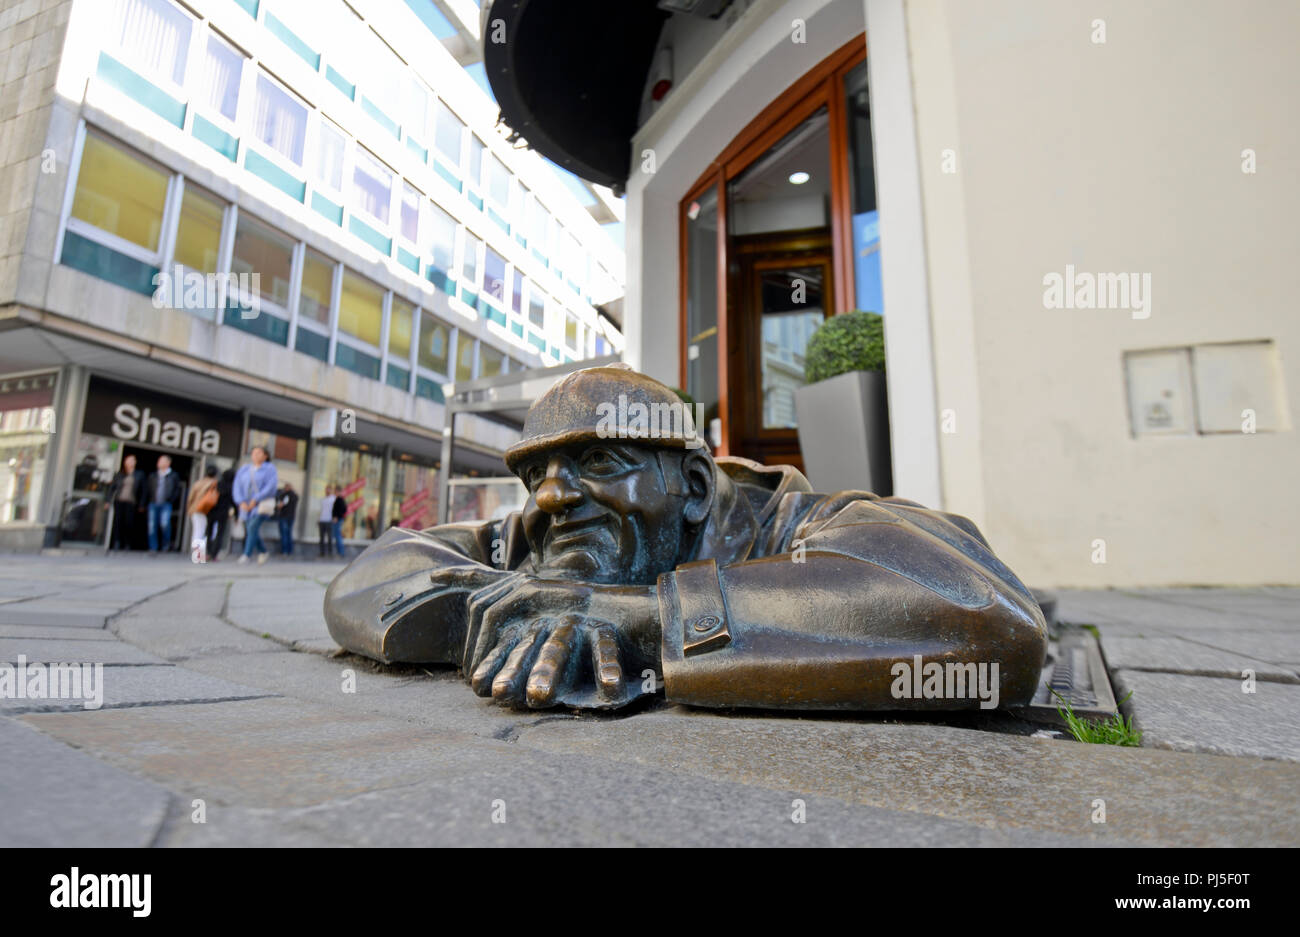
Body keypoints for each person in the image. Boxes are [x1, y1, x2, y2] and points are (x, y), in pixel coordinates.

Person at [325, 365, 1047, 713]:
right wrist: (513, 611)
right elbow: (367, 578)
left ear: (695, 487)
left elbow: (986, 617)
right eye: (535, 472)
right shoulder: (553, 531)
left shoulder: (802, 524)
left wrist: (637, 620)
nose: (549, 495)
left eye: (598, 462)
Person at [233, 445, 278, 565]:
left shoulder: (269, 469)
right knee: (250, 529)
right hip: (245, 506)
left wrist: (255, 500)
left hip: (260, 505)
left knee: (252, 527)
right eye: (253, 453)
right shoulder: (245, 469)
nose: (255, 455)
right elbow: (237, 486)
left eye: (259, 453)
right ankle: (263, 551)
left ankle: (246, 555)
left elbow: (270, 486)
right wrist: (241, 501)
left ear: (265, 455)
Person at [144, 454, 183, 554]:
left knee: (164, 524)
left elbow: (177, 490)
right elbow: (147, 489)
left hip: (166, 504)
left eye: (161, 461)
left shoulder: (174, 475)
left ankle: (166, 545)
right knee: (152, 526)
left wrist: (171, 500)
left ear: (168, 463)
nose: (159, 463)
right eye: (159, 461)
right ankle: (153, 547)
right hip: (153, 503)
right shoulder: (153, 475)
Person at [107, 453, 145, 551]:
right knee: (117, 522)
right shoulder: (120, 474)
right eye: (128, 460)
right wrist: (108, 500)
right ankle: (117, 542)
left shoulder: (139, 474)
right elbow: (112, 488)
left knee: (129, 523)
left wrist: (141, 504)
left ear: (135, 462)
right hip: (119, 501)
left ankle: (127, 543)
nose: (130, 462)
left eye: (132, 460)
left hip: (131, 503)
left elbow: (143, 490)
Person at [186, 466, 220, 563]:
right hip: (207, 510)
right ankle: (200, 555)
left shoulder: (198, 483)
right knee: (208, 532)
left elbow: (190, 497)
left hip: (195, 509)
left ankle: (197, 555)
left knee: (197, 531)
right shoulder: (215, 484)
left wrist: (189, 509)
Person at [207, 467, 235, 561]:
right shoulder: (231, 487)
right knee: (219, 534)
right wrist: (237, 514)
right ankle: (214, 555)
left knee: (208, 533)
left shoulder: (217, 484)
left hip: (211, 511)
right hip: (223, 513)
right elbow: (233, 502)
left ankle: (207, 553)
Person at [276, 481, 299, 555]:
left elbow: (281, 505)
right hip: (291, 517)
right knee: (289, 534)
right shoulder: (295, 495)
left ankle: (284, 551)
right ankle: (290, 551)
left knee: (284, 534)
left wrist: (277, 506)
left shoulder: (286, 495)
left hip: (284, 516)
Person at [317, 485, 337, 558]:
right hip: (322, 520)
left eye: (328, 490)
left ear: (331, 491)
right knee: (321, 538)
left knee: (329, 538)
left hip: (329, 520)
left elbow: (336, 509)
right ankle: (322, 553)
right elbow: (321, 510)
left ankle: (330, 553)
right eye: (326, 490)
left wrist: (335, 517)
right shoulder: (323, 499)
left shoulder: (334, 499)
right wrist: (318, 519)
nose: (327, 491)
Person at [331, 485, 348, 557]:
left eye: (335, 491)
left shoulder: (340, 499)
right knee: (337, 536)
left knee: (338, 536)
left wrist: (336, 517)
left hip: (337, 520)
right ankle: (340, 552)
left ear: (338, 491)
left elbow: (343, 510)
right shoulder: (339, 499)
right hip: (337, 519)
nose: (335, 493)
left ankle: (341, 553)